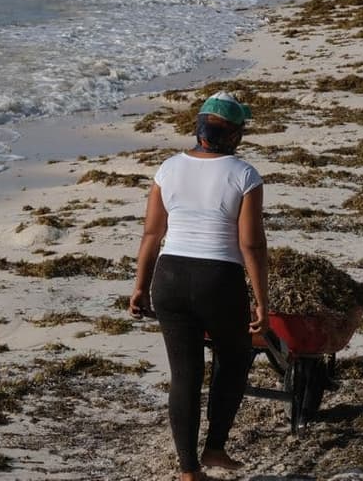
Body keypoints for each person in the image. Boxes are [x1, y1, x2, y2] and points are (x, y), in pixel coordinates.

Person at [129, 91, 269, 481]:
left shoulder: (168, 168)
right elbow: (251, 245)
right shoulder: (244, 175)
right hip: (218, 281)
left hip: (169, 279)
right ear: (235, 135)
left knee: (185, 375)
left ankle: (189, 471)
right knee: (236, 357)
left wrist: (140, 286)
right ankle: (215, 446)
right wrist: (262, 302)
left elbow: (152, 233)